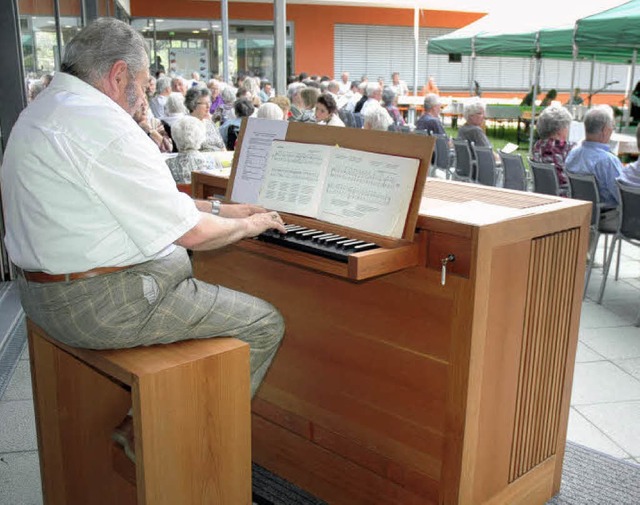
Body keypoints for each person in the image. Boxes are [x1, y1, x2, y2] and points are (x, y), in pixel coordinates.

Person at [1, 18, 285, 441]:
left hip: (41, 295)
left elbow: (156, 202)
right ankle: (176, 446)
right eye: (144, 82)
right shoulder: (105, 126)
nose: (146, 95)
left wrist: (224, 208)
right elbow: (194, 236)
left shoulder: (46, 108)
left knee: (178, 263)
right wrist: (252, 224)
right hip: (99, 306)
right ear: (118, 75)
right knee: (265, 322)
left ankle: (145, 420)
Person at [566, 106, 622, 232]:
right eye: (612, 126)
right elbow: (621, 196)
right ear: (605, 130)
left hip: (580, 213)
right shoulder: (607, 161)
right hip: (606, 218)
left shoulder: (573, 154)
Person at [532, 105, 575, 196]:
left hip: (543, 195)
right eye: (566, 127)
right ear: (559, 129)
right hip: (563, 197)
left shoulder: (538, 146)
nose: (567, 130)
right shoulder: (564, 147)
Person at [165, 116, 221, 184]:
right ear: (201, 136)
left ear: (174, 137)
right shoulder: (213, 161)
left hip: (179, 194)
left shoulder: (167, 165)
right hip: (204, 194)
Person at [184, 86, 226, 152]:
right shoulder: (186, 125)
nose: (208, 106)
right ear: (193, 105)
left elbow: (222, 146)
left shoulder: (209, 123)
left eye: (209, 102)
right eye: (205, 103)